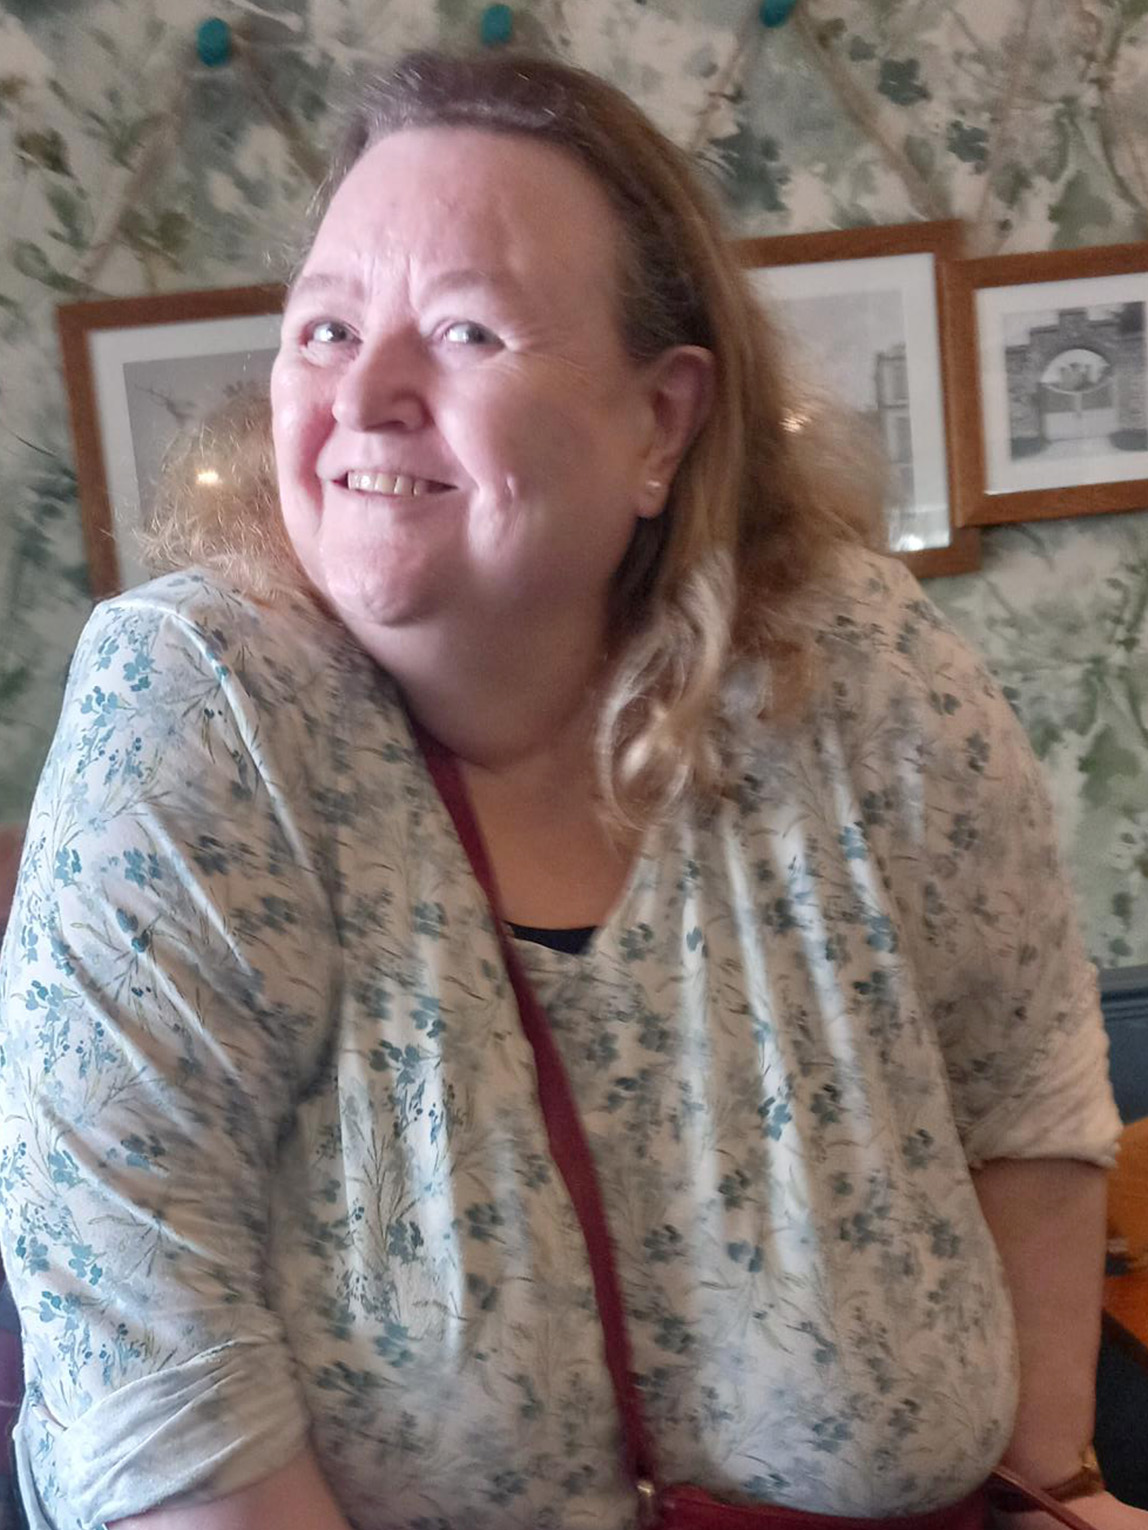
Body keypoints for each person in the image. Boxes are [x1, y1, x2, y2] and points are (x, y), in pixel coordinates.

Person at [0, 48, 1138, 1530]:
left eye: (465, 331)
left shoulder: (857, 663)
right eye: (326, 327)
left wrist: (1057, 1483)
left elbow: (1026, 1092)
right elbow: (145, 1360)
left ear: (660, 421)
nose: (367, 395)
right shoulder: (196, 703)